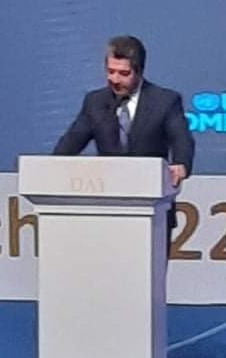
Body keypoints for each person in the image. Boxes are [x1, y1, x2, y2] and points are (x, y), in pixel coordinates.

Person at [54, 36, 195, 249]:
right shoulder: (95, 102)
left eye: (123, 73)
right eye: (110, 71)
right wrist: (51, 168)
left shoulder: (165, 101)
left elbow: (181, 138)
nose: (115, 79)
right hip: (104, 210)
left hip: (152, 211)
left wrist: (181, 163)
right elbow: (71, 142)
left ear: (139, 71)